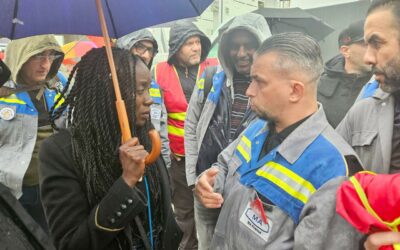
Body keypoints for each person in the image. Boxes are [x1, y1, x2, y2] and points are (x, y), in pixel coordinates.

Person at [195, 32, 363, 249]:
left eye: (259, 82)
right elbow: (224, 164)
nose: (249, 91)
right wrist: (209, 183)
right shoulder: (256, 129)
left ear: (294, 90)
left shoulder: (333, 173)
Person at [39, 47, 181, 249]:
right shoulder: (61, 152)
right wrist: (126, 182)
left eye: (149, 89)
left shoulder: (144, 136)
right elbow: (71, 244)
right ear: (107, 92)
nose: (149, 99)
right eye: (140, 90)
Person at [184, 12, 269, 249]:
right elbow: (191, 126)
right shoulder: (211, 79)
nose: (241, 53)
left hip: (246, 192)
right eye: (234, 46)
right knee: (206, 243)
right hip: (205, 187)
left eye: (249, 45)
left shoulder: (271, 89)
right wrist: (193, 178)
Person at [153, 21, 218, 250]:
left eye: (198, 42)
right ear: (176, 48)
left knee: (211, 211)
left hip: (210, 158)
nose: (195, 48)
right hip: (178, 161)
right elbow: (157, 116)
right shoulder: (160, 71)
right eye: (189, 43)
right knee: (184, 213)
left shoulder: (214, 69)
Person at [0, 35, 64, 231]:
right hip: (11, 191)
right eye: (38, 56)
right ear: (20, 56)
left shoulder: (60, 85)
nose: (46, 64)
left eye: (51, 55)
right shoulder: (3, 90)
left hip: (54, 188)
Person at [337, 0, 400, 174]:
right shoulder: (362, 112)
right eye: (366, 45)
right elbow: (330, 176)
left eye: (376, 43)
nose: (368, 58)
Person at [117, 29, 171, 168]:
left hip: (150, 163)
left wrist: (165, 169)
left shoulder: (155, 87)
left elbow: (161, 131)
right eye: (140, 47)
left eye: (150, 50)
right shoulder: (110, 86)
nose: (146, 55)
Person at [317, 19, 373, 128]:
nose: (373, 50)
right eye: (366, 45)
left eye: (376, 44)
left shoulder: (385, 82)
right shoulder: (319, 87)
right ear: (346, 51)